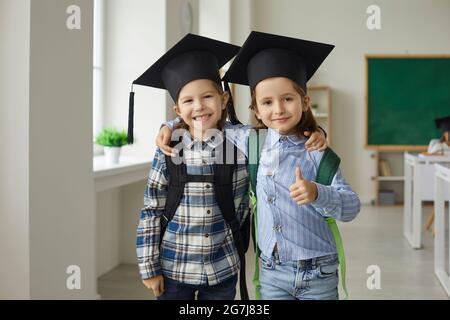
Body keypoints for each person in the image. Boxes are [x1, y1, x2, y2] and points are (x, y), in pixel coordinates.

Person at [221, 31, 361, 300]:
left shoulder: (317, 151)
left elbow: (351, 206)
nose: (278, 109)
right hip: (272, 272)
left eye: (288, 99)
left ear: (304, 102)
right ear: (256, 110)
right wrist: (169, 127)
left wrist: (318, 193)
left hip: (318, 272)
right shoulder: (251, 140)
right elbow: (208, 125)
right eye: (267, 102)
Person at [133, 34, 251, 300]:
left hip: (223, 268)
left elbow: (281, 138)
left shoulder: (244, 144)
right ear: (177, 108)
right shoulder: (169, 149)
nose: (199, 106)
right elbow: (151, 210)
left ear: (224, 100)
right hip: (174, 268)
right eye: (188, 101)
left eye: (208, 96)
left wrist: (316, 132)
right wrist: (149, 268)